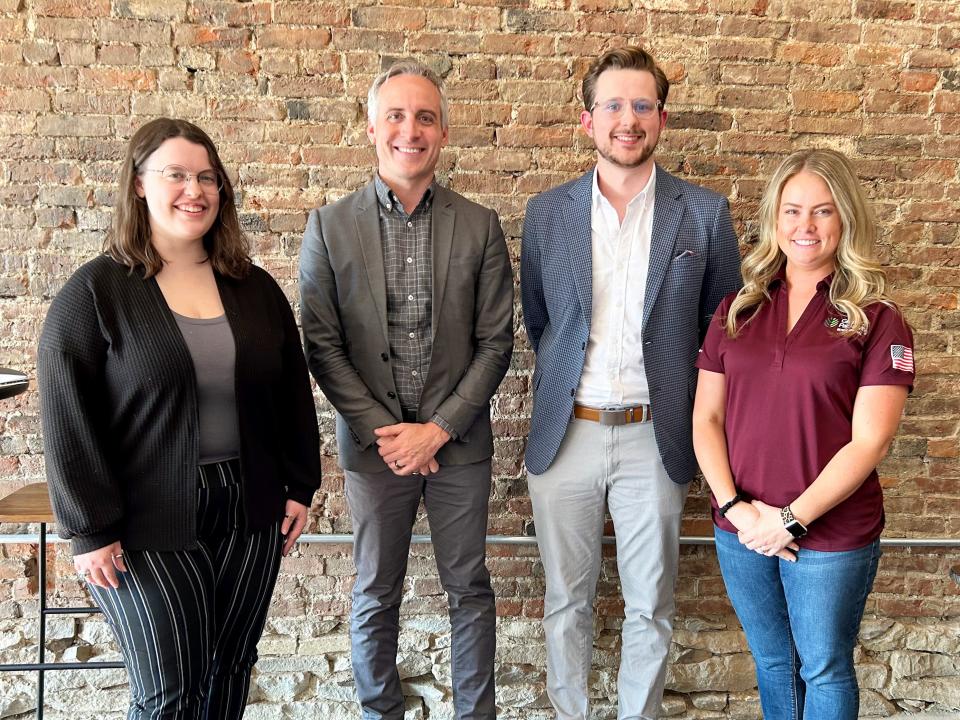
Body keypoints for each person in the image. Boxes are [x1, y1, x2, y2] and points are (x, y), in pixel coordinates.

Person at [38, 117, 321, 719]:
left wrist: (300, 485)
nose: (195, 190)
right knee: (170, 694)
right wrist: (88, 527)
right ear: (139, 185)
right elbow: (67, 419)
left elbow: (292, 394)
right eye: (176, 175)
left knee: (227, 675)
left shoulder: (253, 288)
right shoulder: (95, 293)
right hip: (142, 520)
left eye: (207, 178)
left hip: (252, 508)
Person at [521, 46, 742, 720]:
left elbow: (723, 330)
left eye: (641, 105)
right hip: (568, 436)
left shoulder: (704, 215)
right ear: (589, 121)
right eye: (613, 105)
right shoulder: (546, 213)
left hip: (657, 438)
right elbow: (541, 322)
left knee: (651, 605)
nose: (628, 119)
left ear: (662, 118)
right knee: (566, 602)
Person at [299, 61, 513, 720]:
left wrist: (439, 429)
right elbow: (323, 346)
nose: (409, 130)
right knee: (373, 593)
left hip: (460, 447)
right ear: (371, 128)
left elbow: (496, 343)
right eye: (395, 115)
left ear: (443, 132)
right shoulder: (329, 226)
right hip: (375, 451)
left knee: (469, 589)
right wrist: (389, 434)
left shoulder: (479, 226)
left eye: (424, 117)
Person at [692, 148, 914, 720]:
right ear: (774, 219)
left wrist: (788, 520)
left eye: (822, 212)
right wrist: (740, 510)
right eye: (792, 211)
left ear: (845, 219)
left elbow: (870, 442)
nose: (805, 227)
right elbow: (706, 420)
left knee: (823, 668)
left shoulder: (876, 319)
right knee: (772, 664)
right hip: (740, 528)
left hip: (831, 533)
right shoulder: (737, 309)